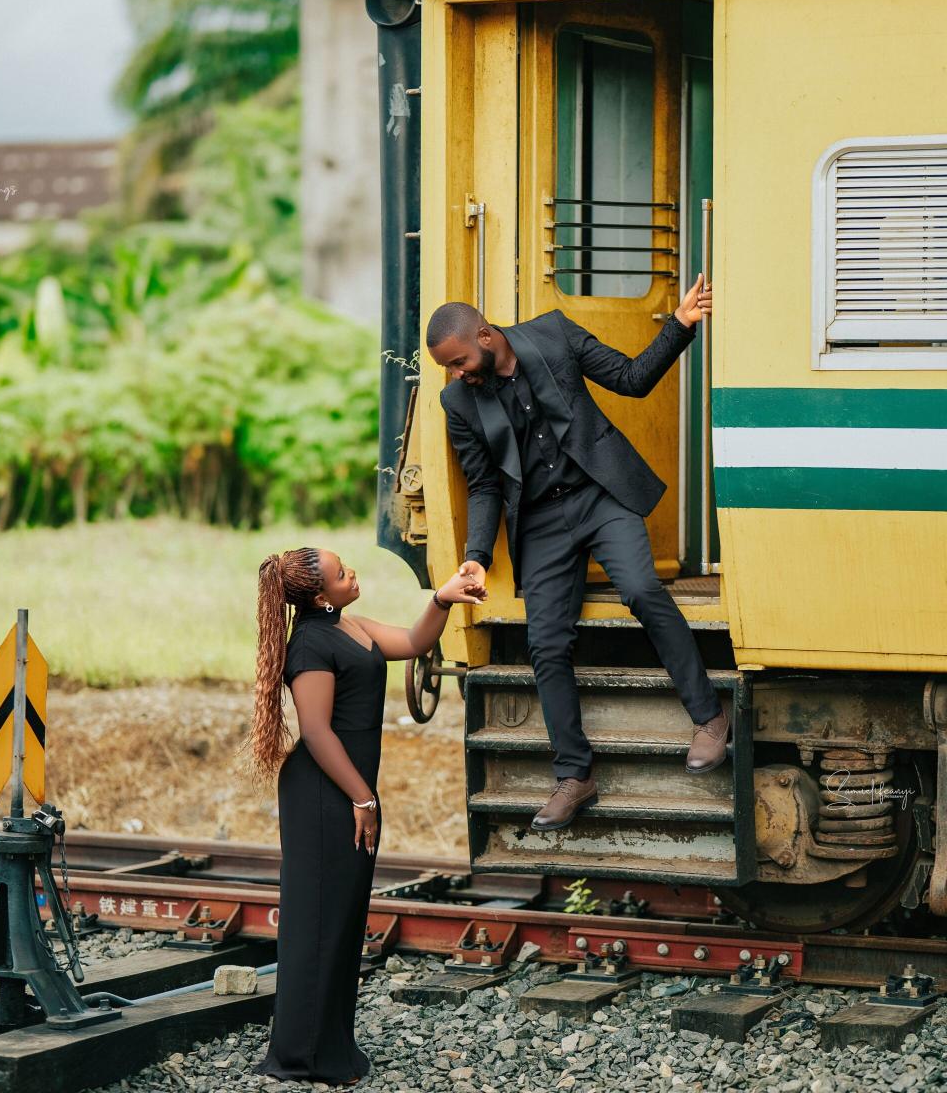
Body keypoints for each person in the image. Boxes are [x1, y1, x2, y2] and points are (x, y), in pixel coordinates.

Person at [426, 274, 727, 834]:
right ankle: (574, 775)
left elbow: (632, 379)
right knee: (545, 642)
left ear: (485, 336)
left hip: (601, 495)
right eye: (449, 368)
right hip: (540, 522)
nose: (457, 373)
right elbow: (484, 484)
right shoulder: (458, 400)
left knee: (641, 589)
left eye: (460, 361)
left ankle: (710, 716)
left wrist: (680, 325)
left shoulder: (555, 335)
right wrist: (477, 555)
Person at [251, 545, 483, 1087]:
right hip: (323, 793)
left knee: (343, 917)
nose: (351, 574)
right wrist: (363, 798)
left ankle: (329, 1046)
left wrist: (443, 599)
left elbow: (414, 642)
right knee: (318, 921)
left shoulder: (350, 626)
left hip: (348, 790)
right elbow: (316, 732)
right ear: (318, 596)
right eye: (341, 573)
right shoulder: (310, 644)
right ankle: (300, 1057)